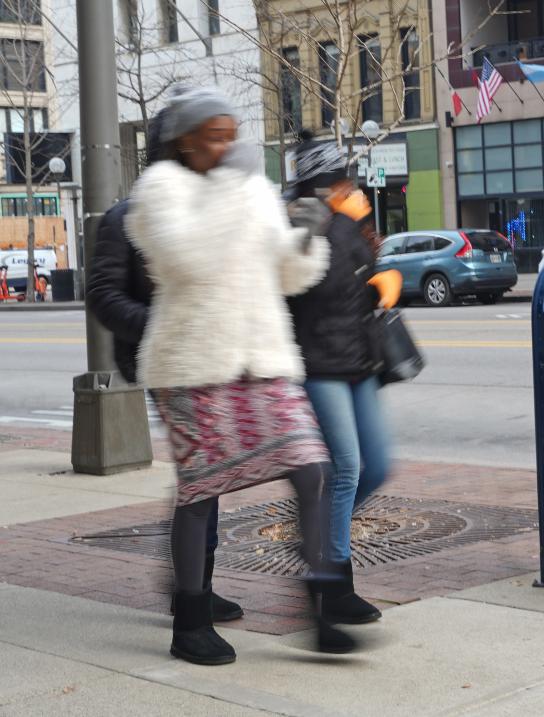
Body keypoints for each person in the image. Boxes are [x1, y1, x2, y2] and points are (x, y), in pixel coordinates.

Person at [127, 86, 356, 664]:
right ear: (186, 140)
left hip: (263, 357)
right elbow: (189, 258)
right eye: (215, 135)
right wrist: (236, 185)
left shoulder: (249, 188)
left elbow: (284, 274)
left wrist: (304, 235)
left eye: (233, 135)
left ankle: (323, 605)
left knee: (312, 468)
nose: (228, 146)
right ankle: (190, 620)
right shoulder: (160, 190)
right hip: (191, 364)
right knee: (202, 490)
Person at [87, 110, 244, 624]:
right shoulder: (127, 217)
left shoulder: (201, 210)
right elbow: (104, 296)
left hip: (208, 358)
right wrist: (166, 323)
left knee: (207, 477)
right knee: (201, 477)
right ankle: (189, 601)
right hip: (165, 363)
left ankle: (194, 584)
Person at [286, 133, 401, 625]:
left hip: (359, 359)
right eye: (336, 179)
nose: (345, 185)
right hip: (317, 362)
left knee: (376, 465)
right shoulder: (296, 221)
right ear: (317, 183)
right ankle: (332, 582)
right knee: (347, 467)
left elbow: (363, 277)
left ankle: (318, 532)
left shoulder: (351, 219)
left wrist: (383, 282)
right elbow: (293, 286)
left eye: (345, 177)